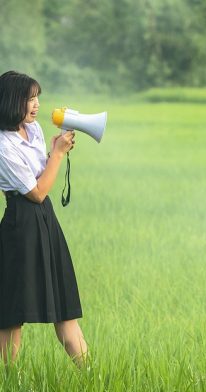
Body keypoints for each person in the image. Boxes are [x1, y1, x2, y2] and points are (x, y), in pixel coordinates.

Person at [0, 71, 87, 366]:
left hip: (45, 220)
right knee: (11, 313)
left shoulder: (33, 130)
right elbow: (36, 192)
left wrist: (53, 150)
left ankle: (91, 376)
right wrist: (58, 155)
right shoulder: (3, 146)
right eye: (29, 98)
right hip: (20, 224)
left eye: (37, 97)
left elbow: (41, 179)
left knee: (64, 306)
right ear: (12, 101)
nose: (36, 105)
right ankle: (10, 379)